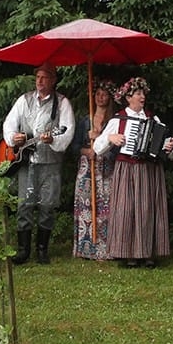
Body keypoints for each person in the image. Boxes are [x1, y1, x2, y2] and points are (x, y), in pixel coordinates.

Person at [94, 77, 173, 268]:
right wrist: (110, 137)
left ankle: (148, 253)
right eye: (138, 93)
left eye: (143, 93)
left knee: (148, 209)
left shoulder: (153, 119)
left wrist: (170, 147)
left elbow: (166, 149)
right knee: (127, 209)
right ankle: (129, 253)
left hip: (149, 169)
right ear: (128, 97)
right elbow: (98, 148)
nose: (142, 97)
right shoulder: (118, 119)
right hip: (127, 169)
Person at [2, 62, 75, 264]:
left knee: (47, 205)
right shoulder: (24, 100)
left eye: (44, 77)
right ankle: (23, 250)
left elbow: (67, 130)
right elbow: (9, 123)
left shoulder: (62, 103)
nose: (40, 81)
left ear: (53, 80)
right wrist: (13, 137)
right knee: (24, 204)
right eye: (37, 77)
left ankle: (42, 250)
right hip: (26, 162)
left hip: (51, 163)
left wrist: (53, 139)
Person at [72, 81, 115, 260]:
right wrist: (85, 150)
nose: (100, 97)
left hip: (105, 168)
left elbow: (118, 145)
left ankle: (105, 248)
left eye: (104, 94)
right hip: (87, 168)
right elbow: (74, 146)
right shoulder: (85, 120)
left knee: (106, 206)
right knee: (86, 207)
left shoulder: (114, 121)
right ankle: (85, 247)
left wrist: (99, 140)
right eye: (97, 93)